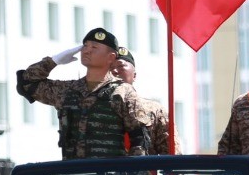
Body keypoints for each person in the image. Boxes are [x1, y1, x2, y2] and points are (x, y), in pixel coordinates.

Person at [15, 27, 153, 159]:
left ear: (111, 57)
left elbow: (140, 139)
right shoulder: (67, 90)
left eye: (94, 47)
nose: (87, 51)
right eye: (85, 46)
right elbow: (27, 83)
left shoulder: (123, 92)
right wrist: (54, 60)